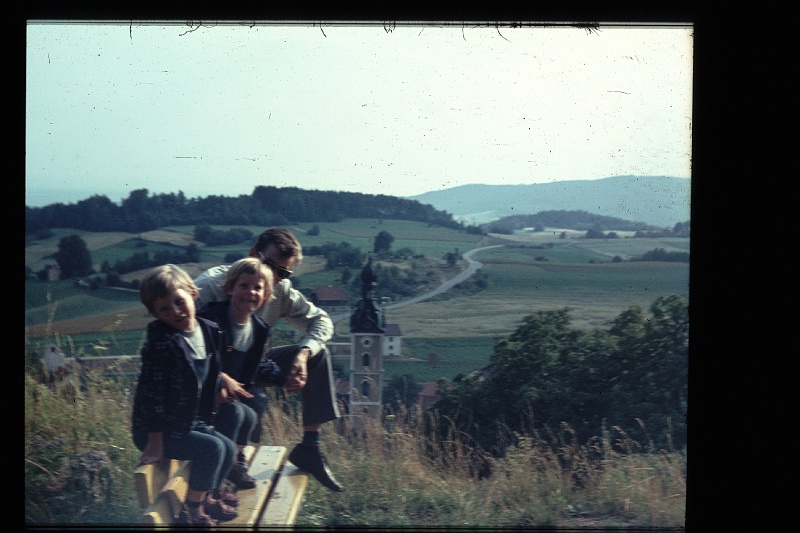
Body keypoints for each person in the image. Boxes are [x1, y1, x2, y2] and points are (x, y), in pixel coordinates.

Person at [194, 227, 344, 492]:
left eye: (283, 273)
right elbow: (183, 336)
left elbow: (321, 320)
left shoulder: (279, 290)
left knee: (318, 356)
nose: (274, 278)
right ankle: (232, 458)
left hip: (250, 364)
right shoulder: (212, 285)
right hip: (208, 370)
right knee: (255, 399)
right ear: (254, 253)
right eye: (270, 266)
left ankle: (310, 447)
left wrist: (303, 353)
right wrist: (218, 374)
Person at [131, 264, 240, 525]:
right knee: (212, 449)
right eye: (164, 309)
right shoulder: (162, 344)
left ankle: (209, 497)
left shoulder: (209, 330)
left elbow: (208, 372)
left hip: (189, 420)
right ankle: (192, 511)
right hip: (162, 430)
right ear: (154, 314)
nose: (176, 312)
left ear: (192, 293)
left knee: (227, 446)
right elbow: (152, 396)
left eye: (179, 302)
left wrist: (218, 390)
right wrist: (155, 441)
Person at [197, 257, 286, 491]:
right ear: (230, 288)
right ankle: (214, 484)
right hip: (204, 391)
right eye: (243, 286)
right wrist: (222, 379)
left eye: (257, 288)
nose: (250, 292)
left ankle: (234, 462)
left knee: (253, 407)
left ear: (266, 295)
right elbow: (198, 359)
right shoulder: (211, 320)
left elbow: (258, 365)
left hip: (234, 390)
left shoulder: (258, 329)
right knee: (236, 412)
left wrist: (285, 378)